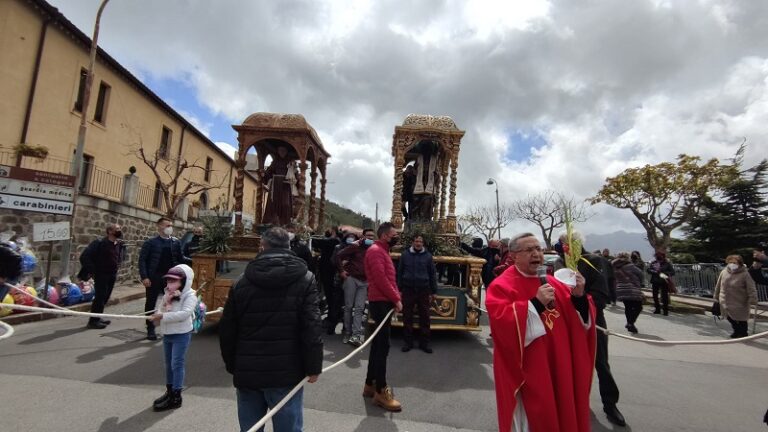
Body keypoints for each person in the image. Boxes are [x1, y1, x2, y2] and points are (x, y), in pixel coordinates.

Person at [486, 233, 596, 432]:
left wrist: (579, 297)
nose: (536, 254)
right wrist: (535, 304)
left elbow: (579, 323)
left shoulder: (557, 284)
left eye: (539, 249)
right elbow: (502, 326)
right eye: (529, 250)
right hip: (528, 369)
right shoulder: (502, 286)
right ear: (513, 255)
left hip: (559, 364)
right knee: (535, 418)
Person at [219, 227, 323, 432]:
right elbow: (311, 325)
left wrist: (234, 365)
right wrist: (313, 366)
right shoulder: (306, 279)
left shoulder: (241, 281)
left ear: (262, 246)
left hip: (248, 371)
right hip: (287, 372)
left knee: (250, 428)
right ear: (289, 246)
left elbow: (228, 329)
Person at [555, 232, 626, 427]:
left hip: (593, 319)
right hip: (566, 322)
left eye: (564, 243)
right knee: (567, 363)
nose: (562, 247)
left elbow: (601, 296)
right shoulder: (560, 263)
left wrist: (580, 301)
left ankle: (610, 404)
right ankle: (574, 401)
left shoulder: (595, 261)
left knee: (601, 362)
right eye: (561, 244)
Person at [362, 222, 403, 412]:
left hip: (383, 301)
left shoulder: (382, 251)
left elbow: (389, 278)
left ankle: (370, 384)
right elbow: (381, 279)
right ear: (386, 235)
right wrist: (396, 299)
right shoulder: (376, 251)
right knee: (382, 346)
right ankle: (380, 391)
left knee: (379, 345)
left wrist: (395, 297)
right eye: (395, 234)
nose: (397, 237)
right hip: (380, 302)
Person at [148, 264, 197, 411]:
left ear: (184, 281)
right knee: (168, 364)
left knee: (177, 363)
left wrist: (162, 316)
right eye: (168, 281)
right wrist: (158, 314)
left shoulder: (190, 295)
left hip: (181, 334)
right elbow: (159, 309)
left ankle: (177, 396)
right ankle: (169, 392)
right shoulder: (166, 294)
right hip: (168, 333)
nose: (170, 284)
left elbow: (184, 314)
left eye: (174, 281)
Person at [139, 217, 190, 341]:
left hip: (171, 278)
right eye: (167, 225)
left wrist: (196, 259)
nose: (170, 228)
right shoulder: (150, 243)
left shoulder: (175, 242)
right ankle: (150, 328)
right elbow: (142, 260)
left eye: (171, 225)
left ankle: (169, 327)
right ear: (159, 226)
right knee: (151, 302)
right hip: (154, 276)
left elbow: (181, 258)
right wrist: (144, 277)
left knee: (172, 301)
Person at [79, 223, 127, 329]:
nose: (119, 231)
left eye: (119, 229)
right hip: (101, 274)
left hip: (112, 274)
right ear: (110, 231)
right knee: (100, 297)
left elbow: (120, 256)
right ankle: (93, 321)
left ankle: (98, 317)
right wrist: (93, 270)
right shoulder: (99, 243)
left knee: (105, 297)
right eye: (117, 229)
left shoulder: (119, 244)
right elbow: (84, 256)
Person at [397, 234, 438, 353]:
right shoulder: (405, 255)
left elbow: (432, 274)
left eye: (420, 241)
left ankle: (424, 343)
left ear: (423, 243)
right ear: (413, 242)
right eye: (416, 241)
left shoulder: (428, 256)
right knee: (407, 316)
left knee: (425, 317)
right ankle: (407, 343)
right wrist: (399, 289)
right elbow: (400, 273)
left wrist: (434, 291)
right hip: (408, 289)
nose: (418, 243)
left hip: (423, 290)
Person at [336, 229, 375, 346]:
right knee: (348, 306)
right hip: (351, 279)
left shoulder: (373, 249)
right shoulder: (355, 246)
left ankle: (356, 335)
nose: (370, 238)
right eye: (368, 235)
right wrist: (341, 271)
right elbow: (338, 255)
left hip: (364, 281)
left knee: (359, 308)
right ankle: (347, 332)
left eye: (372, 236)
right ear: (363, 236)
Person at [713, 255, 758, 338]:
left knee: (741, 319)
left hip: (739, 300)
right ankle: (737, 330)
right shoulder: (724, 272)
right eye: (730, 262)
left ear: (739, 263)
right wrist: (716, 296)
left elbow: (751, 287)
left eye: (734, 262)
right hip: (725, 299)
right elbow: (718, 285)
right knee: (728, 316)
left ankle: (744, 333)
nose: (732, 264)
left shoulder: (745, 274)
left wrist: (753, 299)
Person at [312, 228, 342, 334]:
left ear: (334, 232)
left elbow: (318, 242)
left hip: (330, 273)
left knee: (331, 297)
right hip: (327, 272)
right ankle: (332, 317)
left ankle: (332, 320)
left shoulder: (335, 241)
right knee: (330, 297)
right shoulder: (335, 241)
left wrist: (309, 236)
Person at [262, 146, 298, 226]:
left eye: (283, 150)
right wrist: (264, 176)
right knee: (272, 205)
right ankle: (270, 223)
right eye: (280, 150)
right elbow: (269, 172)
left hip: (285, 186)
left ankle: (285, 223)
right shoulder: (275, 161)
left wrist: (295, 179)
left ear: (286, 151)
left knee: (286, 204)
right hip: (275, 186)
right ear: (278, 151)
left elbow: (295, 174)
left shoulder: (290, 161)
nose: (281, 152)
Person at [612, 252, 644, 334]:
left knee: (628, 307)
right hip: (633, 288)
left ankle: (629, 323)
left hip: (621, 289)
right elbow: (640, 274)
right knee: (638, 307)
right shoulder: (631, 266)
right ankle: (630, 323)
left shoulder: (614, 266)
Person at [647, 250, 675, 315]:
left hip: (664, 281)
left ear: (663, 256)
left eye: (660, 255)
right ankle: (657, 309)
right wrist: (654, 272)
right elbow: (648, 270)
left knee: (664, 296)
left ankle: (665, 310)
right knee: (655, 296)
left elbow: (672, 272)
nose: (658, 256)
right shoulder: (654, 263)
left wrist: (664, 273)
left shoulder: (667, 263)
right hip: (655, 280)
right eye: (657, 255)